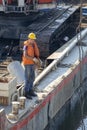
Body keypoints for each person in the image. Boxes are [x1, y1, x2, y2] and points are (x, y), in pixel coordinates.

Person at [22, 32, 40, 99]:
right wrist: (33, 59)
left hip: (32, 64)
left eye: (33, 40)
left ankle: (30, 90)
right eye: (32, 39)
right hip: (27, 64)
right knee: (27, 78)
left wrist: (36, 62)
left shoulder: (33, 45)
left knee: (32, 78)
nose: (33, 41)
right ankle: (26, 92)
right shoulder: (26, 46)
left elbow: (35, 54)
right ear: (29, 39)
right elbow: (25, 55)